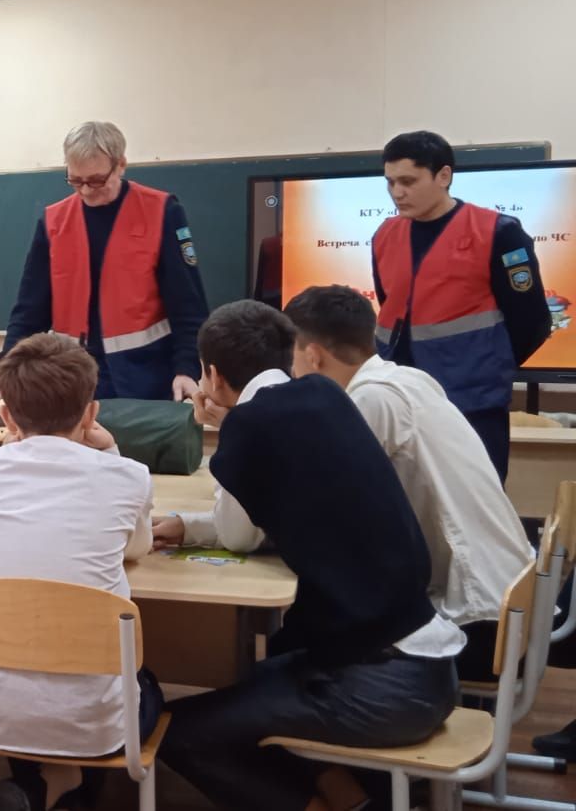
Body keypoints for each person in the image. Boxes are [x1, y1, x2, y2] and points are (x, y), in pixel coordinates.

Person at [159, 302, 462, 811]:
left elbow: (237, 536)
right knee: (260, 677)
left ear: (212, 375)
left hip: (383, 687)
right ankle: (352, 801)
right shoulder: (325, 394)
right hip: (430, 664)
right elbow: (272, 514)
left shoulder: (250, 425)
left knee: (180, 734)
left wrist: (228, 433)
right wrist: (190, 524)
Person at [0, 332, 158, 811]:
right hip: (98, 723)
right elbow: (138, 548)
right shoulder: (128, 476)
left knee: (29, 665)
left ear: (6, 418)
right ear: (91, 414)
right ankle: (63, 787)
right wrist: (109, 453)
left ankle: (44, 786)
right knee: (145, 685)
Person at [284, 285, 531, 680]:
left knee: (301, 635)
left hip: (473, 624)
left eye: (292, 358)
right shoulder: (410, 380)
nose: (292, 373)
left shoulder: (370, 401)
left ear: (312, 356)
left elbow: (311, 509)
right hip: (510, 608)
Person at [372, 131, 550, 482]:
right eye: (390, 182)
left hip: (473, 404)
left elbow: (532, 321)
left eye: (408, 181)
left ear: (443, 176)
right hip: (401, 399)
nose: (397, 192)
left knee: (476, 502)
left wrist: (487, 366)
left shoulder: (498, 232)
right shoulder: (384, 235)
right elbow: (390, 306)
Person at [0, 121, 209, 403]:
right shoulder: (53, 222)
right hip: (73, 377)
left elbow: (188, 304)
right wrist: (6, 374)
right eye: (75, 181)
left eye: (96, 180)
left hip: (149, 378)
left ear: (120, 165)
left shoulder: (161, 212)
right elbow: (29, 311)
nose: (85, 190)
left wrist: (186, 369)